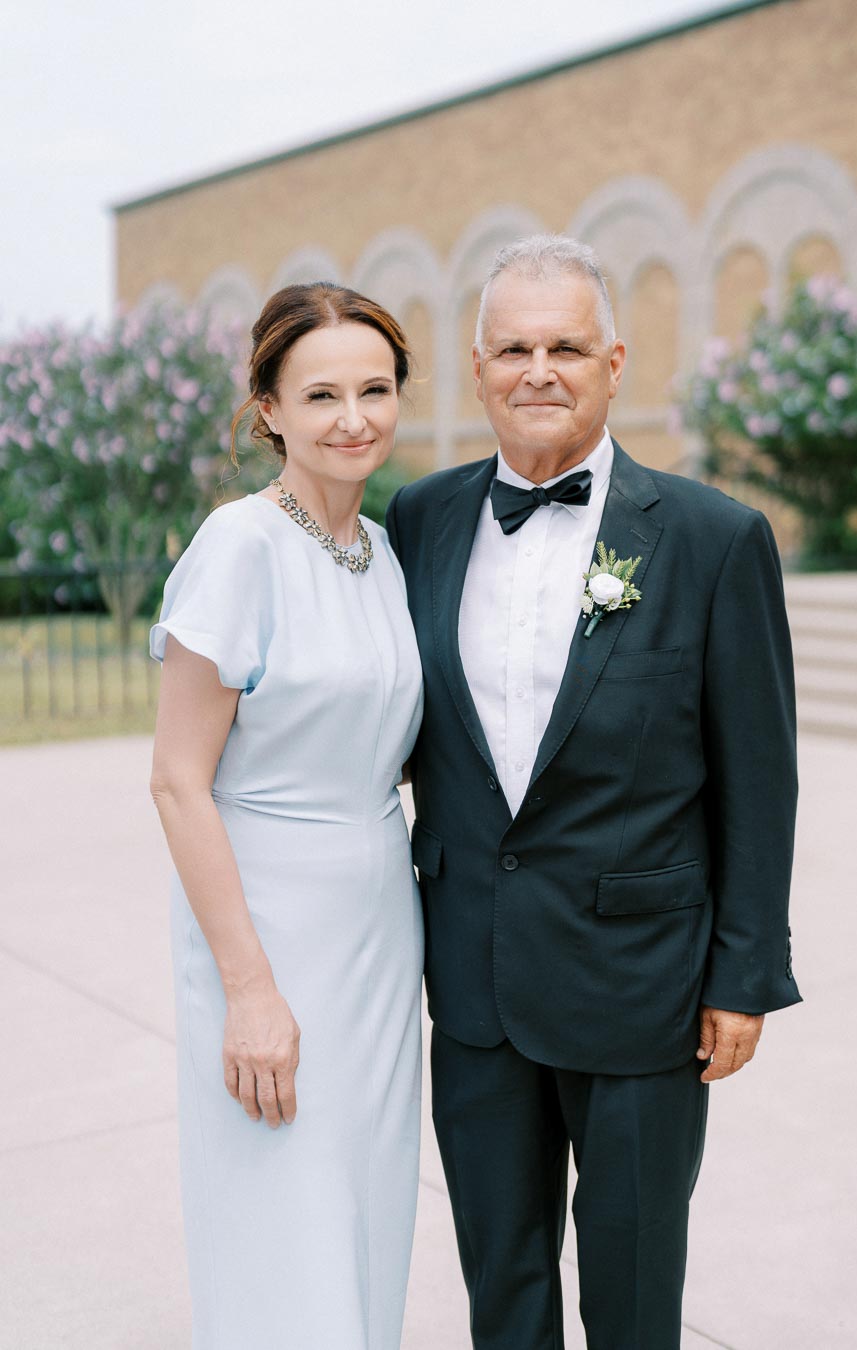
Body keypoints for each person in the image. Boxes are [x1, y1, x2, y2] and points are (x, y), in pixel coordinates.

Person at [386, 234, 801, 1350]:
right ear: (476, 370)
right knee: (502, 1288)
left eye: (566, 345)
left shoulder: (715, 540)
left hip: (644, 990)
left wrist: (746, 975)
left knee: (630, 1294)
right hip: (472, 985)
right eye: (513, 347)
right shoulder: (417, 522)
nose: (539, 370)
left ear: (615, 361)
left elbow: (761, 779)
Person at [149, 283, 424, 1349]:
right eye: (320, 394)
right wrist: (251, 990)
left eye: (374, 388)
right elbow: (178, 780)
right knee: (283, 1218)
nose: (353, 416)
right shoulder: (238, 547)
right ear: (268, 408)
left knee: (366, 1208)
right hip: (264, 922)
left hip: (377, 928)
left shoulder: (384, 553)